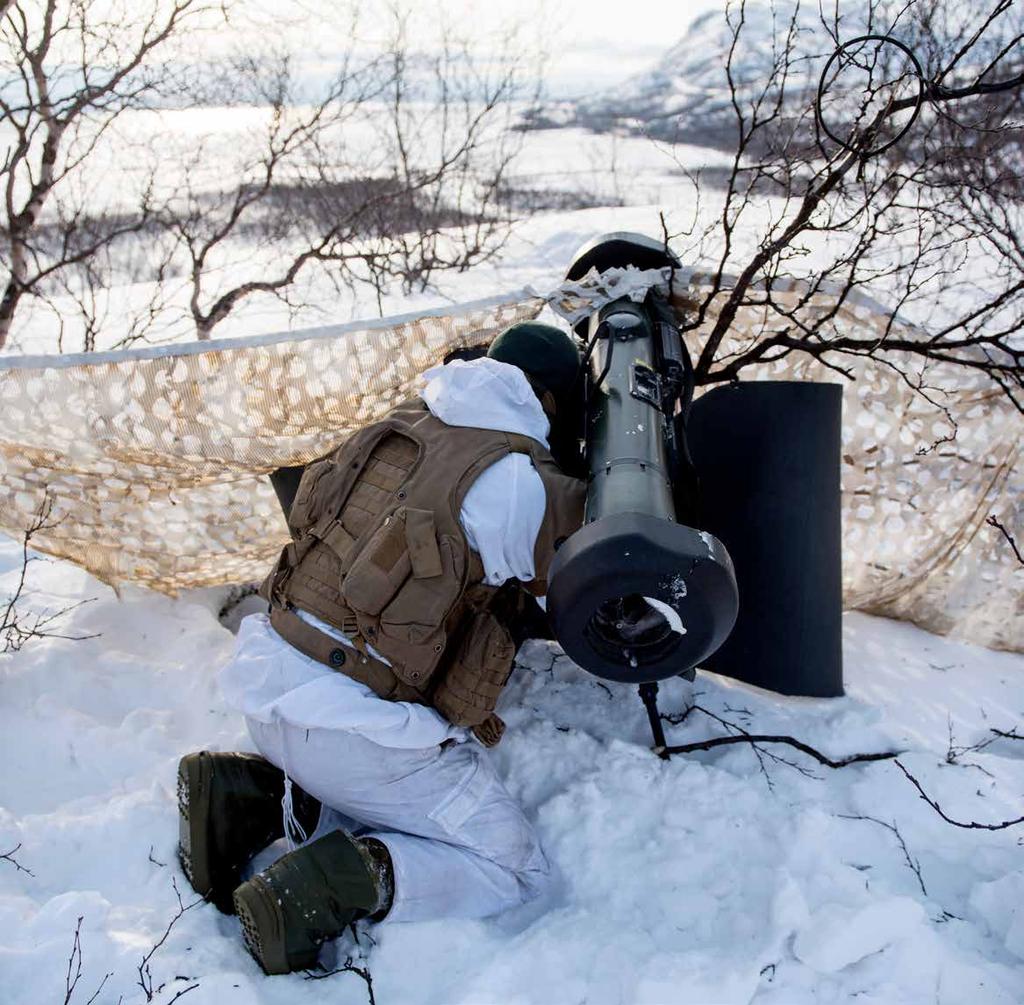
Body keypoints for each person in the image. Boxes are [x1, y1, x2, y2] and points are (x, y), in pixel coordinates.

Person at [177, 321, 587, 975]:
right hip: (354, 737)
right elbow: (579, 590)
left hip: (267, 682)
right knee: (513, 865)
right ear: (556, 404)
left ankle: (242, 794)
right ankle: (325, 886)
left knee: (359, 760)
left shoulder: (398, 422)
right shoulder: (516, 480)